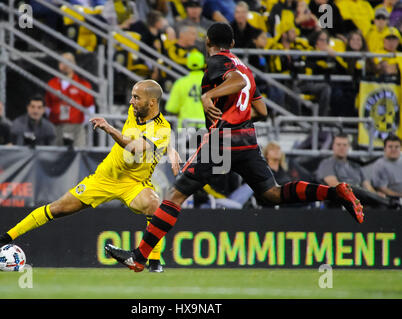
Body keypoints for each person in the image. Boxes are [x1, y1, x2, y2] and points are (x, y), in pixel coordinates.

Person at [104, 23, 364, 273]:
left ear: (208, 43)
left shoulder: (219, 61)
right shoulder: (246, 68)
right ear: (233, 43)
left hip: (222, 140)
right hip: (247, 140)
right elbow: (261, 110)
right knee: (271, 194)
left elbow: (237, 81)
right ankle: (334, 193)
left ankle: (139, 258)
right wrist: (238, 116)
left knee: (174, 196)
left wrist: (208, 97)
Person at [0, 80, 181, 273]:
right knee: (57, 209)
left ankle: (154, 261)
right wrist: (170, 150)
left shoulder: (162, 128)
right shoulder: (137, 112)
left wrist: (109, 128)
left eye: (136, 97)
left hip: (134, 184)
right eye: (132, 96)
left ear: (152, 102)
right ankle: (7, 237)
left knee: (153, 203)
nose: (131, 101)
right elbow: (153, 138)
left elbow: (136, 147)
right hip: (104, 178)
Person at [45, 52, 95, 147]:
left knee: (77, 156)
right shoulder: (52, 83)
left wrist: (79, 124)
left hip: (76, 127)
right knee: (55, 156)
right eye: (63, 61)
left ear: (74, 64)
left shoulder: (83, 85)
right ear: (59, 64)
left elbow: (90, 109)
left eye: (69, 61)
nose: (66, 64)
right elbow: (48, 108)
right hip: (56, 127)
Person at [165, 50, 206, 129]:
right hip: (206, 127)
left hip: (185, 127)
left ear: (188, 64)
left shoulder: (180, 83)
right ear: (204, 64)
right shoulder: (211, 82)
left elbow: (171, 108)